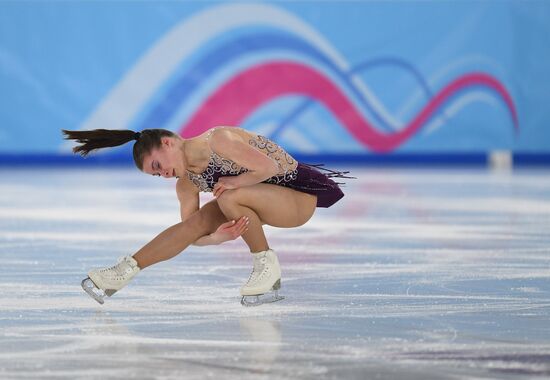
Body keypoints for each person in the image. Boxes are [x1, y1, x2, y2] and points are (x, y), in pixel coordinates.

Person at [62, 126, 351, 306]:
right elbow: (193, 235)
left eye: (159, 165)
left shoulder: (219, 141)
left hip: (297, 196)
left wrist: (234, 183)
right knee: (195, 223)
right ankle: (121, 273)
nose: (163, 174)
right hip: (256, 197)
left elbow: (269, 169)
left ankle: (267, 267)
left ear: (168, 143)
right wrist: (216, 238)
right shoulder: (185, 183)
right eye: (156, 174)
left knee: (229, 194)